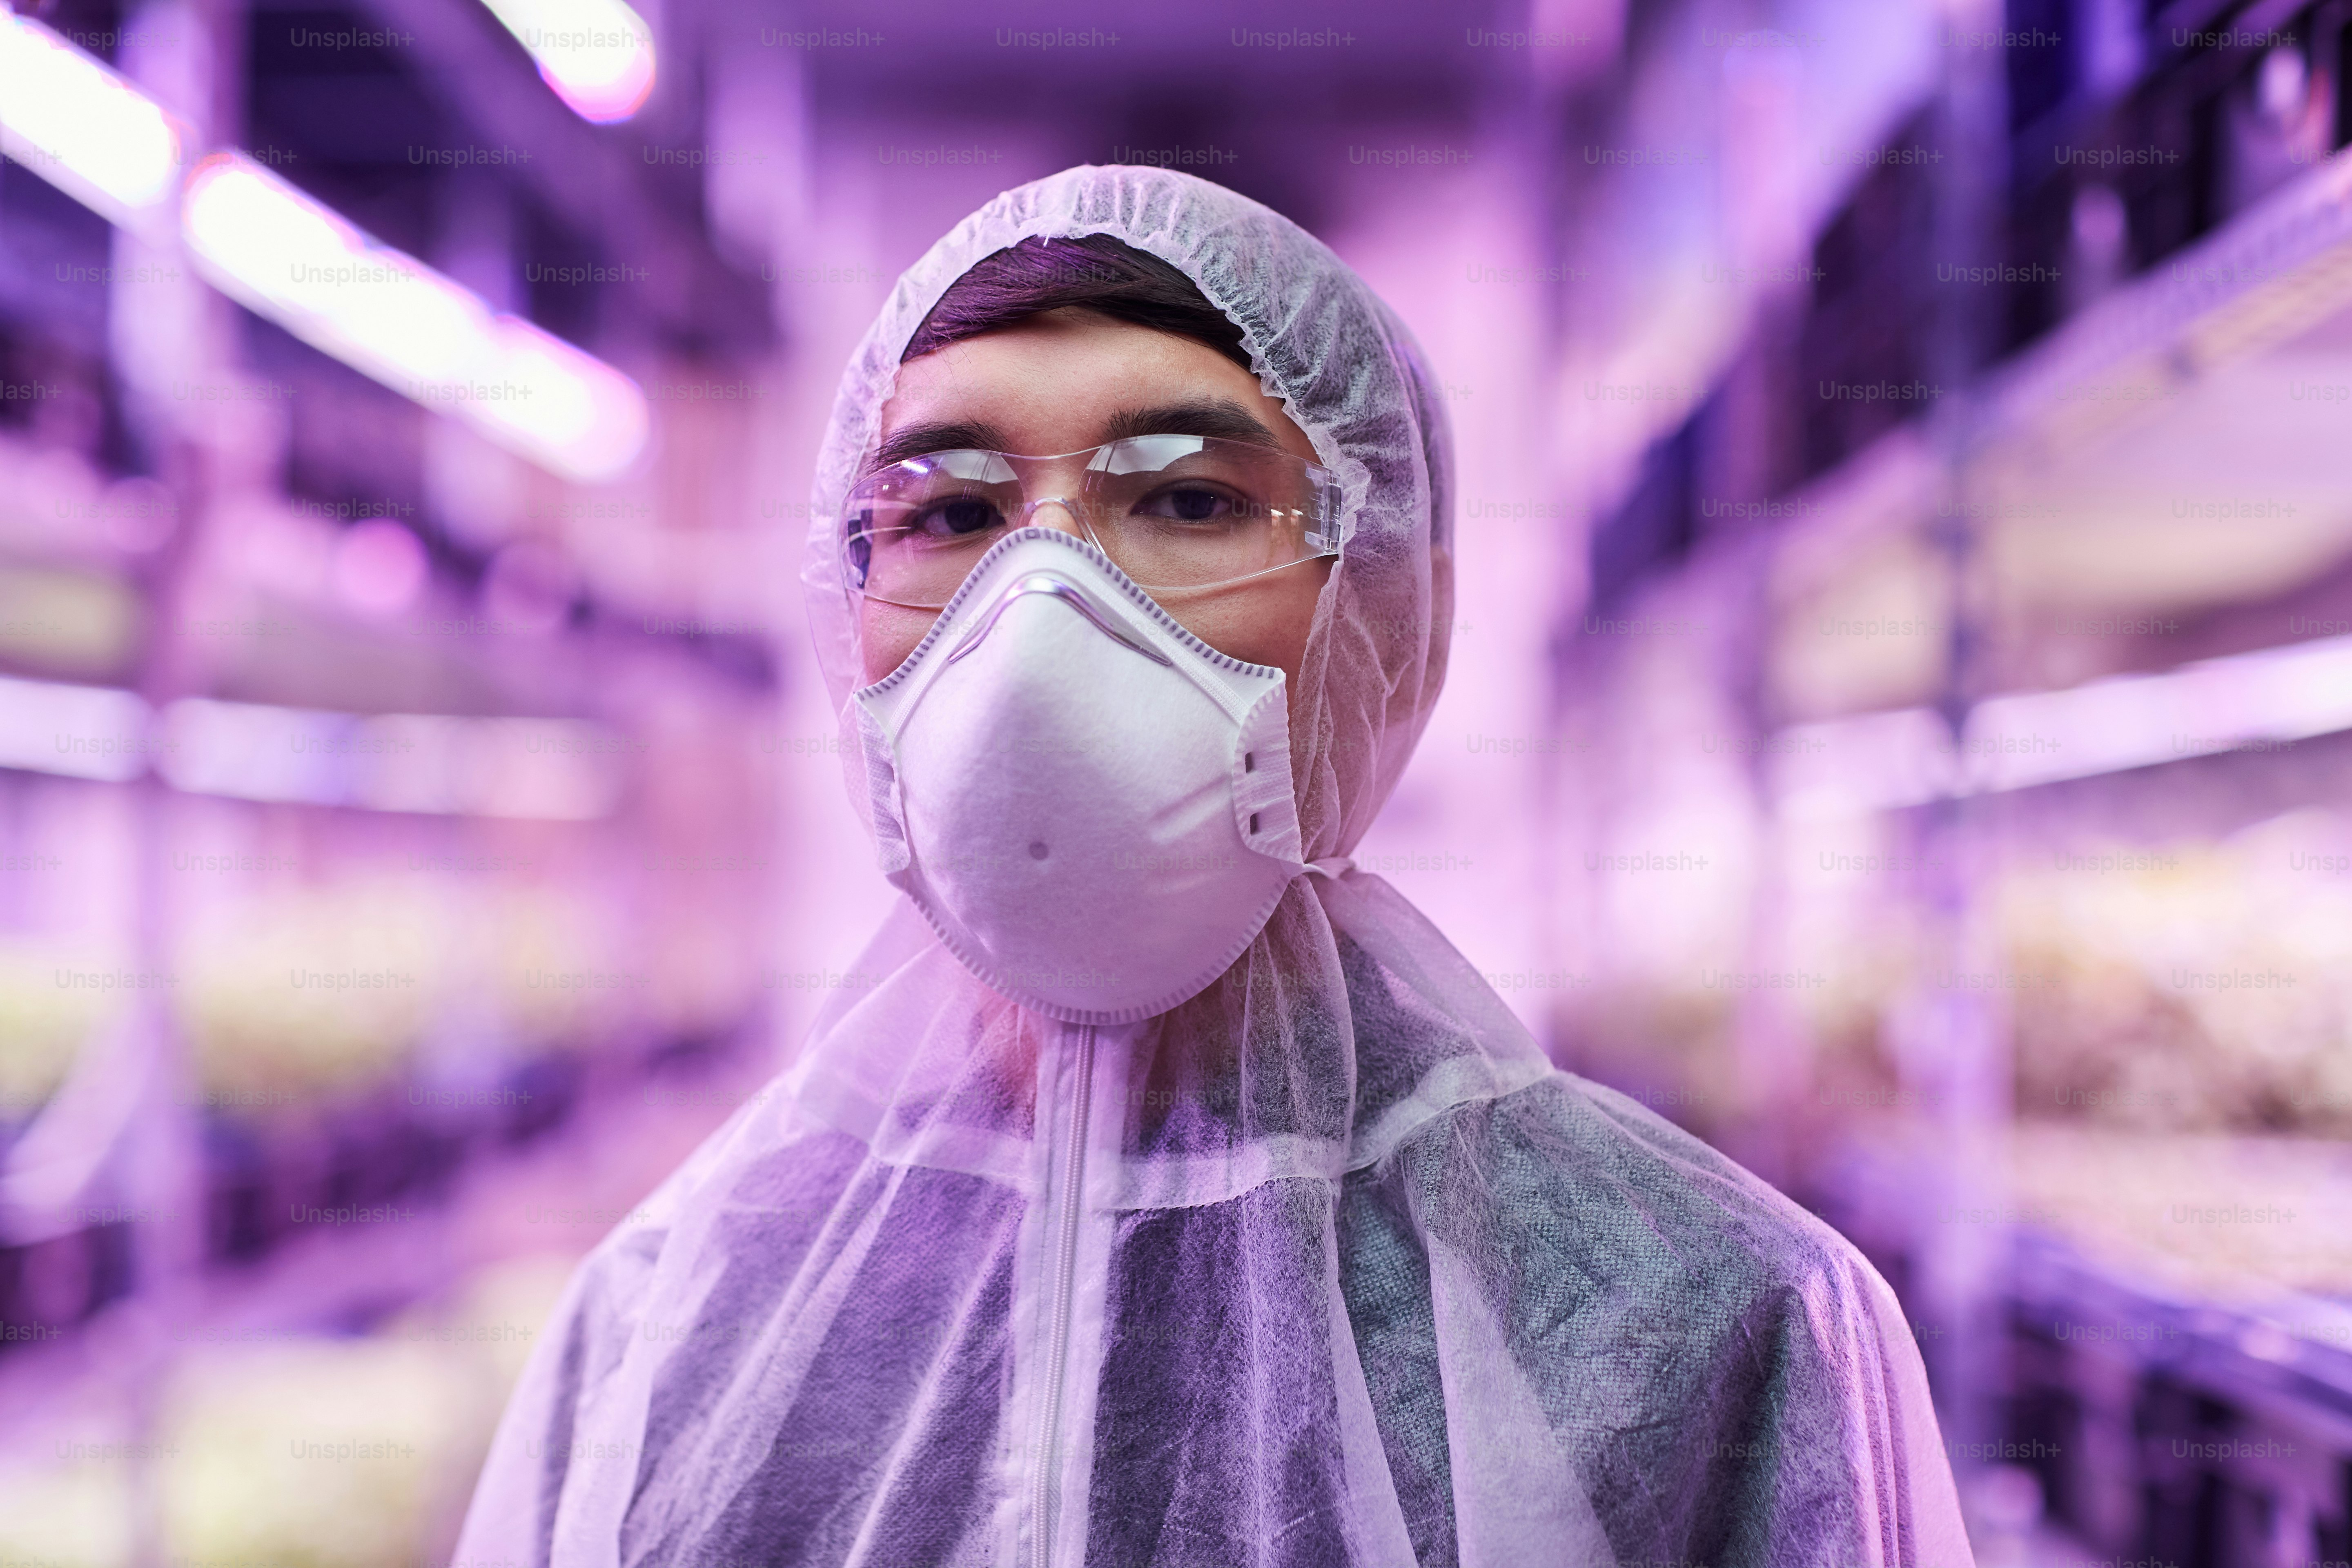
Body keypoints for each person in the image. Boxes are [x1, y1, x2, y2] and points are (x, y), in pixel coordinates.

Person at [454, 166, 1974, 1568]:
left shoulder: (1710, 1329)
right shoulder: (670, 1326)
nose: (1041, 619)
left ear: (1388, 610)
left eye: (1189, 501)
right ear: (842, 608)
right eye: (953, 513)